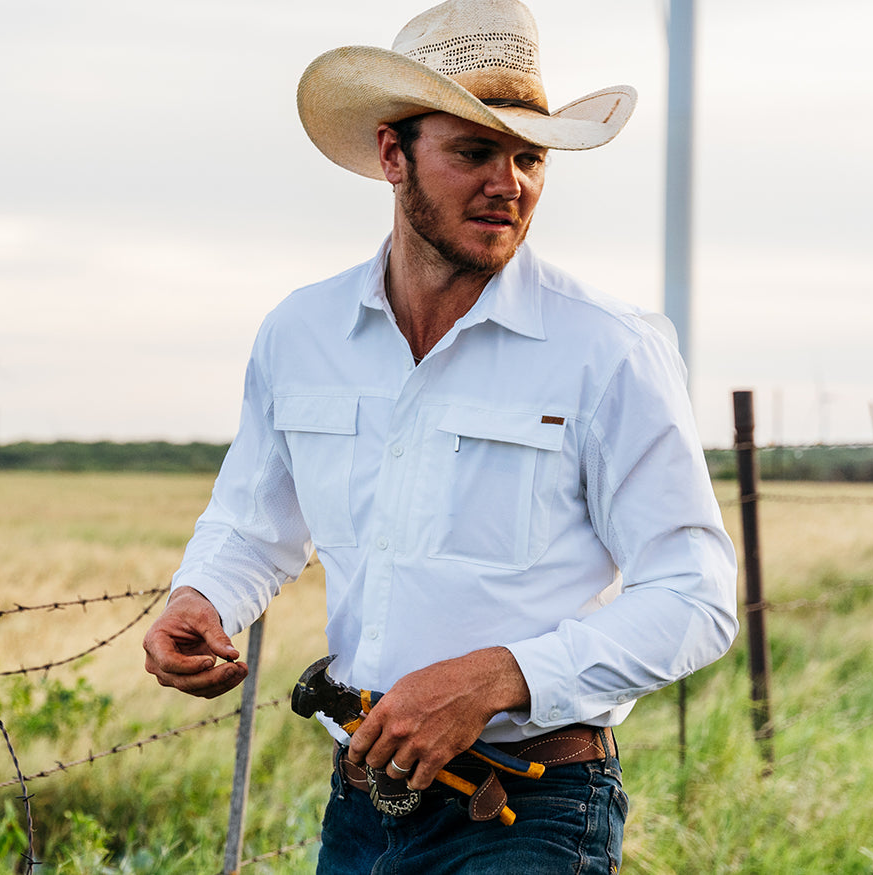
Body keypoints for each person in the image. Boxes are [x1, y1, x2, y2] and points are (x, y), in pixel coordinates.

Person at [140, 1, 737, 870]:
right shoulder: (299, 333)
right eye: (474, 152)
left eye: (530, 157)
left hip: (531, 805)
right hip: (361, 800)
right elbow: (253, 521)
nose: (512, 183)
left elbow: (697, 594)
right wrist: (203, 598)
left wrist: (498, 677)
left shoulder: (609, 351)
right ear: (393, 154)